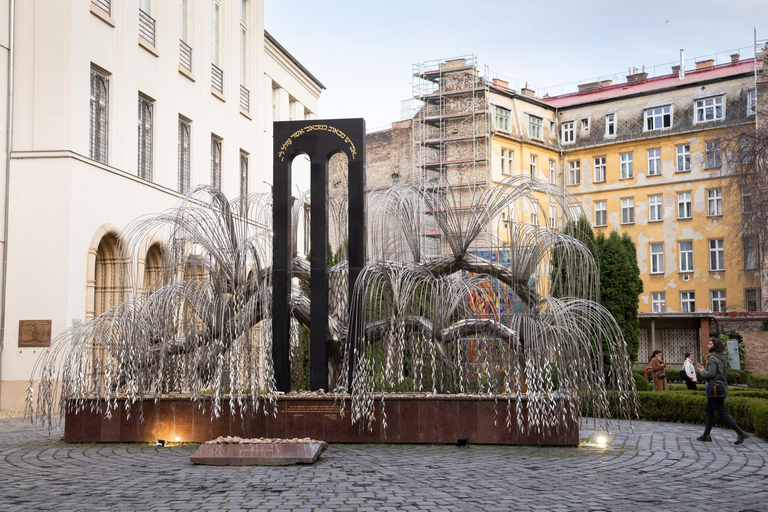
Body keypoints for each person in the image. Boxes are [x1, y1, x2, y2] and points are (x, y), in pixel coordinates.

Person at [695, 339, 748, 445]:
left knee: (722, 413)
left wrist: (702, 371)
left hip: (715, 389)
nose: (707, 345)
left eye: (710, 344)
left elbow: (711, 374)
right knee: (709, 410)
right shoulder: (722, 357)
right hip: (720, 387)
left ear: (715, 346)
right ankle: (706, 434)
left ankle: (740, 432)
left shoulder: (712, 358)